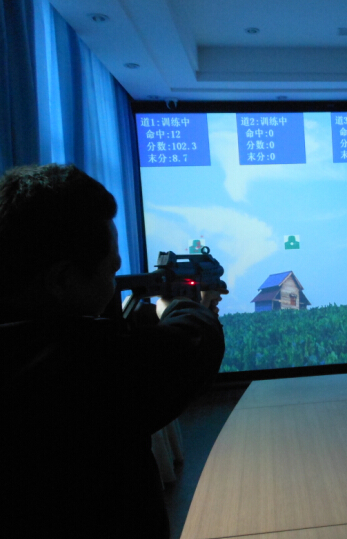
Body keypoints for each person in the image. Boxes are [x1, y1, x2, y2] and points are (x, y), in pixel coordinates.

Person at [0, 164, 227, 538]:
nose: (114, 281)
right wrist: (184, 306)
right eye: (111, 270)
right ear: (62, 279)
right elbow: (192, 347)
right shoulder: (80, 368)